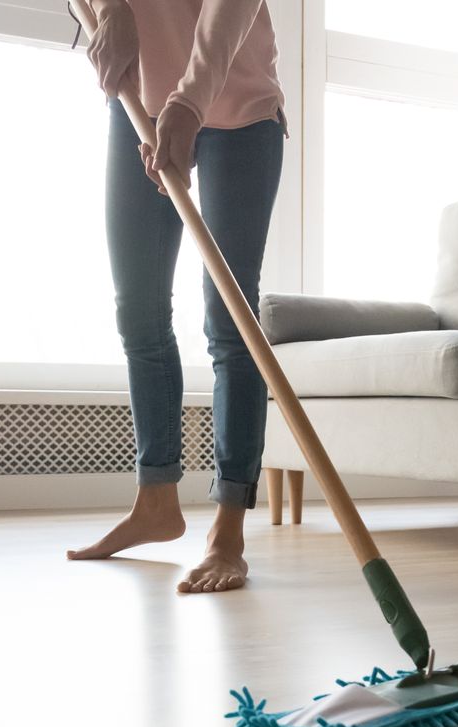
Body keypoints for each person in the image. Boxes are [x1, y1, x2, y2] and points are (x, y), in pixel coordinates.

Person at [66, 0, 284, 594]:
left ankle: (228, 531)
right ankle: (155, 502)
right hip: (141, 102)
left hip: (238, 109)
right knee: (137, 308)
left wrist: (188, 104)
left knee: (230, 317)